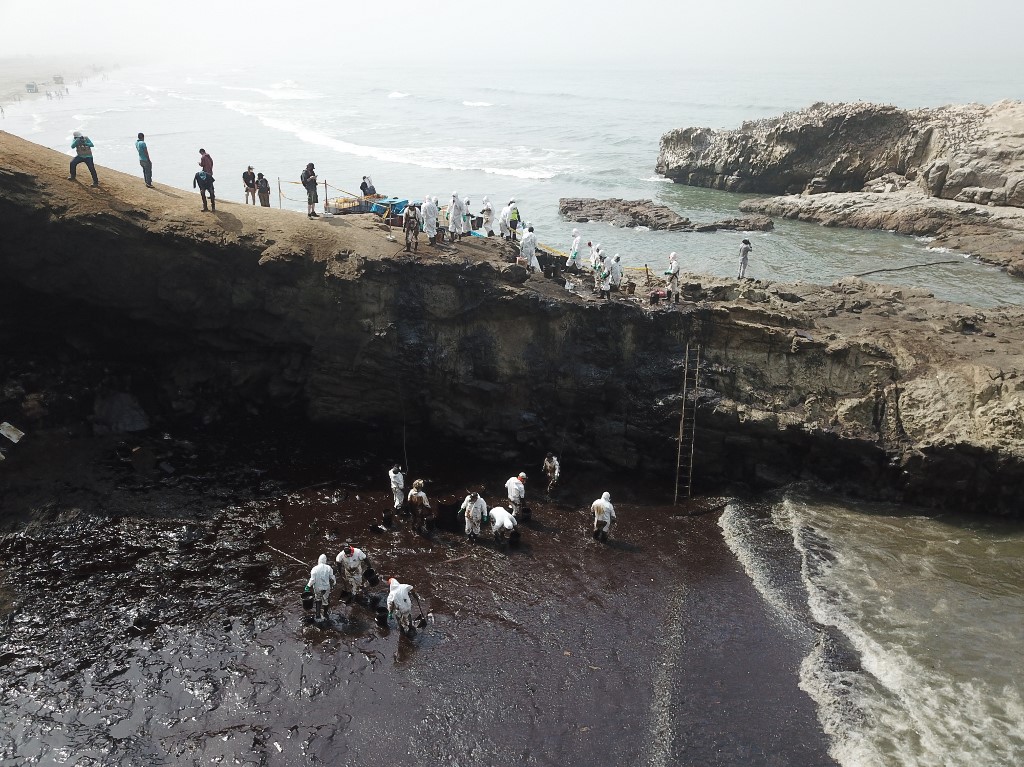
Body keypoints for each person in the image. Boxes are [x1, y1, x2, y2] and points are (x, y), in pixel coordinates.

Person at [306, 553, 336, 620]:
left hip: (317, 587)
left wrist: (308, 586)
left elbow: (312, 580)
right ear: (325, 560)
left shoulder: (314, 569)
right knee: (325, 600)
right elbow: (332, 577)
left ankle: (318, 615)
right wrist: (334, 583)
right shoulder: (329, 568)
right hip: (326, 587)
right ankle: (325, 614)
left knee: (318, 599)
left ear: (318, 560)